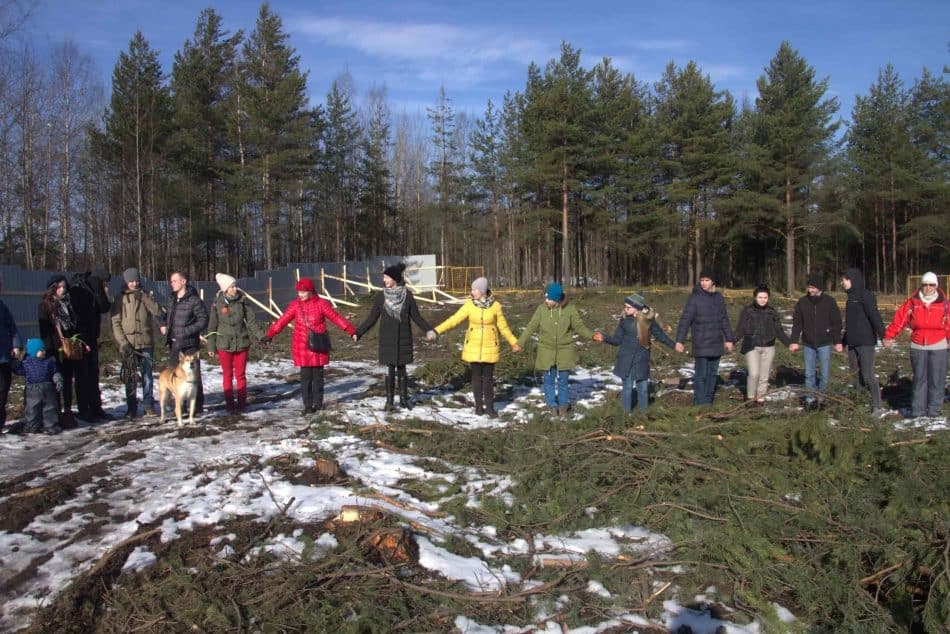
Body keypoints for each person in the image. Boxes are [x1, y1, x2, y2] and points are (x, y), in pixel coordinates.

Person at [263, 277, 356, 414]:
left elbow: (335, 317)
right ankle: (307, 405)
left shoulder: (321, 304)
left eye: (303, 292)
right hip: (302, 347)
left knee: (318, 377)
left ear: (310, 291)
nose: (300, 294)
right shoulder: (295, 305)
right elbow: (282, 320)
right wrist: (270, 334)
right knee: (305, 378)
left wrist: (350, 330)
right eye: (298, 292)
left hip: (318, 346)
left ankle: (318, 404)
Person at [354, 263, 436, 412]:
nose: (384, 280)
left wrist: (429, 330)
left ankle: (404, 400)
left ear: (394, 279)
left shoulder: (407, 296)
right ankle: (390, 401)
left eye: (386, 277)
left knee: (402, 370)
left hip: (404, 338)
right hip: (387, 339)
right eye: (384, 277)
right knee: (390, 370)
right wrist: (359, 332)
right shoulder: (381, 297)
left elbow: (416, 317)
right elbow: (372, 318)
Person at [435, 276, 520, 417]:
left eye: (474, 289)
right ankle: (478, 407)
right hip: (473, 347)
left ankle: (490, 408)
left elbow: (503, 327)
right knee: (476, 378)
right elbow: (454, 319)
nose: (472, 291)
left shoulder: (496, 306)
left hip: (490, 347)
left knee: (488, 379)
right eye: (472, 289)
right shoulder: (469, 305)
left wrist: (514, 342)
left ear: (482, 291)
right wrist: (437, 330)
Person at [516, 282, 603, 416]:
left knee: (563, 380)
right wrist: (520, 343)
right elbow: (531, 327)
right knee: (549, 380)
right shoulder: (541, 309)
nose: (546, 301)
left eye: (549, 299)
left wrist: (592, 335)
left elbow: (579, 327)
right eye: (546, 298)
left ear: (556, 300)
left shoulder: (570, 310)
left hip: (564, 352)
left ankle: (563, 405)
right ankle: (551, 405)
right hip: (546, 351)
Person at [883, 272, 949, 418]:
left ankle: (934, 411)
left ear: (936, 286)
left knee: (936, 380)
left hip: (939, 345)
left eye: (931, 285)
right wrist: (889, 336)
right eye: (925, 284)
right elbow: (900, 319)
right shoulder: (913, 302)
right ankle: (918, 411)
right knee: (919, 379)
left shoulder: (944, 304)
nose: (928, 288)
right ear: (921, 285)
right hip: (918, 345)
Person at [602, 292, 675, 413]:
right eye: (625, 306)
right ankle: (626, 415)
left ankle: (643, 414)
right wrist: (604, 337)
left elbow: (661, 336)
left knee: (643, 389)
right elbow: (617, 340)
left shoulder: (648, 321)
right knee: (627, 389)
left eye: (628, 307)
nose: (625, 309)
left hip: (642, 360)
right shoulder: (624, 321)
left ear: (636, 307)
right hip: (626, 361)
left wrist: (674, 345)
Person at [674, 271, 735, 406]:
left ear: (712, 281)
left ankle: (708, 403)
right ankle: (699, 404)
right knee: (701, 375)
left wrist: (729, 339)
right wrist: (680, 340)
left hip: (716, 343)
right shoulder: (694, 299)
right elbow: (685, 320)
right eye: (702, 280)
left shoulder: (719, 298)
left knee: (712, 375)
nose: (704, 283)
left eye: (707, 280)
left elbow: (724, 319)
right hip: (701, 343)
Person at [111, 268, 165, 419]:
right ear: (126, 282)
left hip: (146, 341)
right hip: (128, 343)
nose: (134, 284)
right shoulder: (119, 298)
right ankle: (131, 407)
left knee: (147, 375)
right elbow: (115, 322)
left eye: (136, 281)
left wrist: (144, 298)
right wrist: (123, 342)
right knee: (130, 377)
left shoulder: (145, 295)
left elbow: (157, 312)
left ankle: (148, 405)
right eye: (131, 281)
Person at [207, 273, 265, 413]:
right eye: (232, 286)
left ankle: (241, 405)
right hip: (224, 344)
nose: (235, 289)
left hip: (242, 343)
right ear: (225, 289)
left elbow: (251, 322)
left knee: (240, 375)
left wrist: (261, 336)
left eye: (235, 286)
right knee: (227, 375)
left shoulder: (242, 301)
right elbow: (212, 326)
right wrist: (211, 345)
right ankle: (229, 404)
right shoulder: (217, 303)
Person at [789, 273, 844, 409]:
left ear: (819, 288)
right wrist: (794, 340)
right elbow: (797, 323)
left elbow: (837, 323)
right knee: (809, 373)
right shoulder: (802, 302)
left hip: (825, 343)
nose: (810, 290)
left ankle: (822, 399)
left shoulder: (829, 302)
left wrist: (837, 341)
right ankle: (809, 400)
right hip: (808, 343)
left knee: (824, 374)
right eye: (809, 287)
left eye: (813, 288)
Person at [69, 267, 114, 421]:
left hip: (90, 338)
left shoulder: (92, 286)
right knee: (84, 376)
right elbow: (104, 307)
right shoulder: (86, 287)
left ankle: (94, 409)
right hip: (81, 339)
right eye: (105, 283)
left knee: (92, 375)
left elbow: (103, 308)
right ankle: (86, 410)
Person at [161, 271, 209, 415]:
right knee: (175, 375)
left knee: (193, 376)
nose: (172, 283)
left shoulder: (194, 300)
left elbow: (203, 320)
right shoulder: (171, 299)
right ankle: (179, 407)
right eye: (171, 281)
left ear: (183, 282)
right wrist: (163, 325)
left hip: (189, 344)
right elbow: (167, 317)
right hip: (174, 344)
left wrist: (187, 331)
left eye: (175, 280)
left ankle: (197, 406)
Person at [38, 274, 83, 426]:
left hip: (69, 348)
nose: (62, 290)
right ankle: (55, 413)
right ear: (53, 288)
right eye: (59, 287)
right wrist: (50, 352)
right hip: (55, 350)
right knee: (57, 382)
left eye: (64, 287)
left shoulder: (69, 303)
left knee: (68, 381)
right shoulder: (45, 306)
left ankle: (68, 411)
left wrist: (75, 341)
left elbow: (73, 325)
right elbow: (45, 331)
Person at [734, 285, 792, 404]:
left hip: (768, 347)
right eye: (760, 297)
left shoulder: (772, 312)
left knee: (764, 375)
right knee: (754, 373)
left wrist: (788, 343)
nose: (762, 300)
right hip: (752, 346)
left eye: (765, 297)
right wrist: (732, 341)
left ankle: (760, 398)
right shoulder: (747, 310)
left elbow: (779, 330)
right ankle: (750, 398)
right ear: (755, 297)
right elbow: (741, 328)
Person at [841, 268, 886, 414]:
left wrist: (883, 335)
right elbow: (850, 324)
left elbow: (874, 316)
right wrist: (843, 342)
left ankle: (877, 406)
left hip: (866, 342)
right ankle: (859, 405)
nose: (842, 283)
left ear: (852, 279)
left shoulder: (866, 295)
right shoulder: (850, 298)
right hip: (853, 343)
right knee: (855, 377)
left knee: (867, 375)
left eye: (844, 280)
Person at [11, 338, 64, 435]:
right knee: (32, 409)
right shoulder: (26, 362)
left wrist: (58, 378)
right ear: (33, 351)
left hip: (48, 389)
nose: (44, 352)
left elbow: (55, 371)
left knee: (50, 408)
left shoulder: (49, 361)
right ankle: (32, 426)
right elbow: (18, 370)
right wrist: (13, 361)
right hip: (32, 390)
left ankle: (51, 426)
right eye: (41, 350)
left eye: (44, 349)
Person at [0, 277, 22, 433]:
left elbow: (12, 327)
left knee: (3, 389)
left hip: (3, 356)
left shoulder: (2, 307)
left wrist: (15, 345)